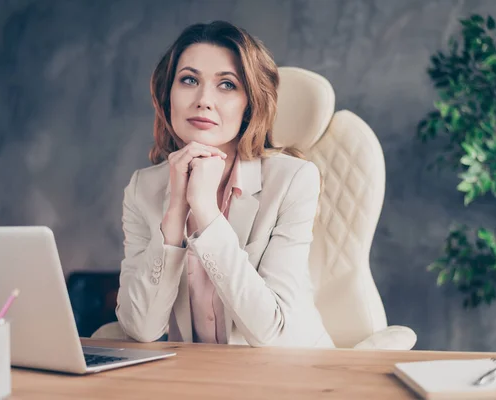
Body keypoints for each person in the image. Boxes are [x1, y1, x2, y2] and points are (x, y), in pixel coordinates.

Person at [115, 20, 334, 348]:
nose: (203, 100)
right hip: (195, 378)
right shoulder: (142, 188)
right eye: (189, 80)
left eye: (227, 85)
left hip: (289, 373)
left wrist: (205, 211)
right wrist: (175, 211)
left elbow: (273, 333)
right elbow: (142, 328)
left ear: (250, 104)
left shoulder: (294, 181)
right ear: (168, 95)